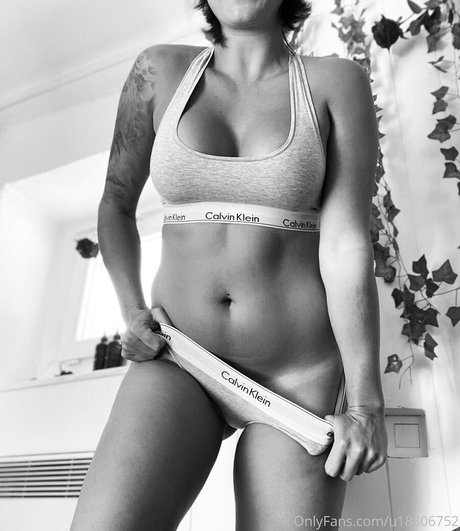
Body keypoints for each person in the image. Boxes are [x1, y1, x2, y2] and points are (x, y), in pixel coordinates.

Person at [70, 0, 388, 529]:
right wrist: (131, 311)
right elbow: (115, 206)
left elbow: (346, 244)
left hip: (300, 377)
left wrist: (365, 406)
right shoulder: (158, 71)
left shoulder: (337, 82)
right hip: (179, 356)